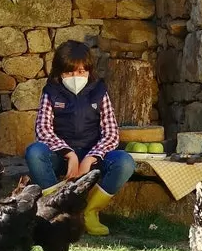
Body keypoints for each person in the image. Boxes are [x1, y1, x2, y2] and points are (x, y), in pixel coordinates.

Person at [23, 40, 133, 236]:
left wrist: (91, 158)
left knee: (124, 161)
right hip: (61, 157)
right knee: (34, 151)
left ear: (89, 71)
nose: (76, 77)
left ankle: (89, 212)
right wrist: (69, 154)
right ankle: (58, 210)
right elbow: (43, 130)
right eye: (70, 72)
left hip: (94, 156)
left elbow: (111, 133)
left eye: (81, 72)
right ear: (59, 73)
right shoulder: (51, 92)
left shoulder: (99, 92)